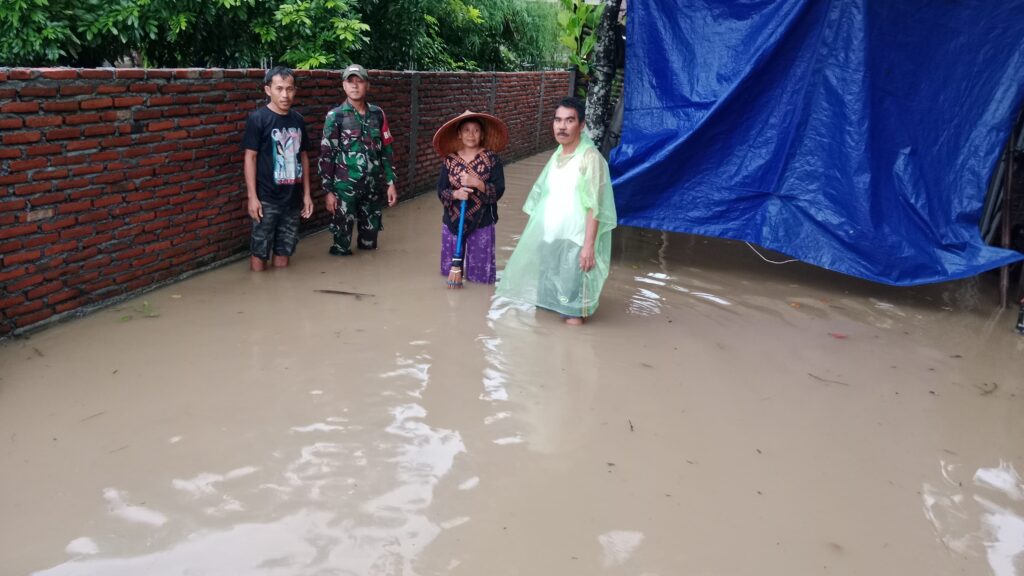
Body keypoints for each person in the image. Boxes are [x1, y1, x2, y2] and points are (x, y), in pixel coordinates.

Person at [496, 97, 617, 325]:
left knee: (572, 313)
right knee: (546, 305)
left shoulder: (590, 159)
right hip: (549, 241)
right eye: (558, 120)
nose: (562, 126)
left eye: (569, 120)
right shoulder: (556, 156)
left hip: (574, 244)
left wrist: (588, 247)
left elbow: (595, 206)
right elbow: (543, 199)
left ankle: (569, 356)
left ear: (581, 125)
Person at [318, 64, 398, 256]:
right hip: (344, 190)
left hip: (371, 189)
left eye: (359, 81)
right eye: (350, 82)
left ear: (367, 85)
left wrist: (391, 182)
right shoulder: (335, 116)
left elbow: (386, 150)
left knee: (369, 245)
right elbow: (326, 156)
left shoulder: (378, 114)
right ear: (344, 86)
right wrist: (328, 191)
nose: (354, 86)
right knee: (341, 247)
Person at [242, 66, 314, 271]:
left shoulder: (298, 120)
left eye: (289, 89)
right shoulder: (258, 119)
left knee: (284, 251)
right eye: (279, 88)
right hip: (266, 198)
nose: (285, 94)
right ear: (268, 90)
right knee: (259, 251)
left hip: (292, 198)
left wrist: (307, 195)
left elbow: (304, 157)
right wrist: (252, 197)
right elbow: (250, 158)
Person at [432, 110, 508, 285]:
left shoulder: (491, 159)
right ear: (459, 134)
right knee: (448, 272)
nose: (471, 134)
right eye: (466, 130)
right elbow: (441, 191)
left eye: (476, 130)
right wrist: (455, 194)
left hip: (482, 222)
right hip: (453, 222)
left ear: (481, 135)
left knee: (481, 277)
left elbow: (499, 190)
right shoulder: (450, 160)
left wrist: (477, 183)